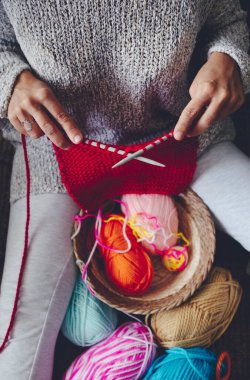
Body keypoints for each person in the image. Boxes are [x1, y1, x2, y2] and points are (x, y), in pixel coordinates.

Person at [0, 0, 249, 379]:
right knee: (18, 350)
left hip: (183, 132)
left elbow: (228, 18)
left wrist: (228, 57)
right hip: (57, 147)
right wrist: (9, 80)